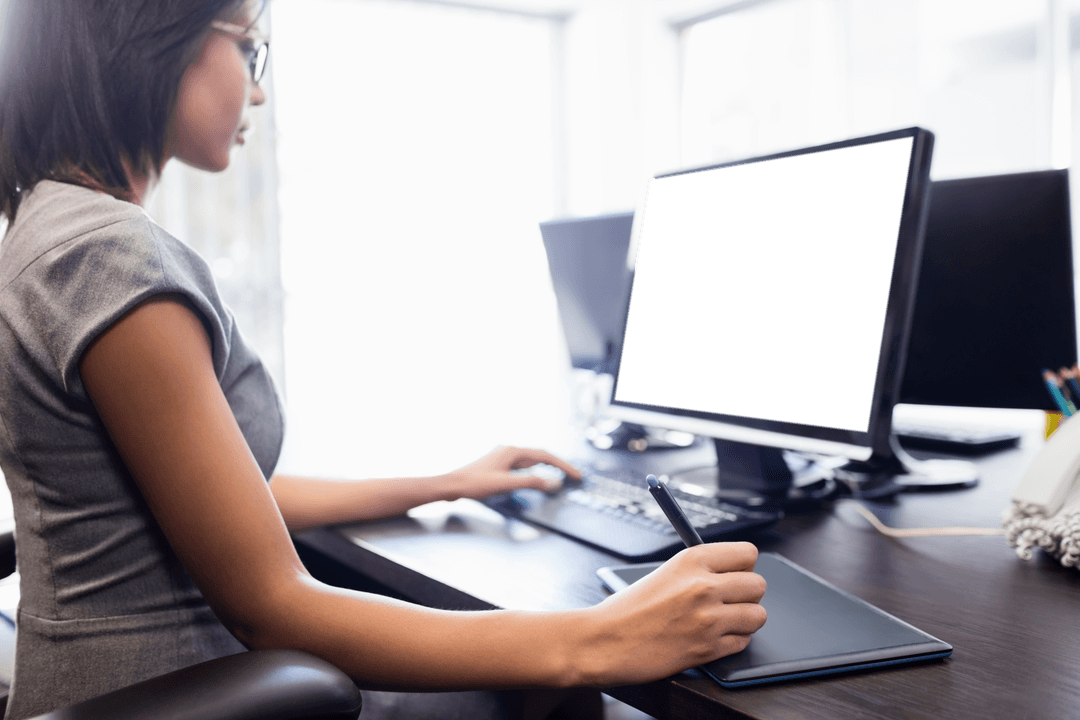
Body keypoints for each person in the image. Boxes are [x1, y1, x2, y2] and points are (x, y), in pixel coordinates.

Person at [0, 1, 768, 718]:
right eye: (248, 50)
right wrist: (601, 637)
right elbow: (271, 605)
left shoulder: (52, 227)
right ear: (152, 40)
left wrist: (445, 484)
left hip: (143, 681)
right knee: (548, 692)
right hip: (181, 692)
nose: (258, 95)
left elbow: (222, 505)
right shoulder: (106, 256)